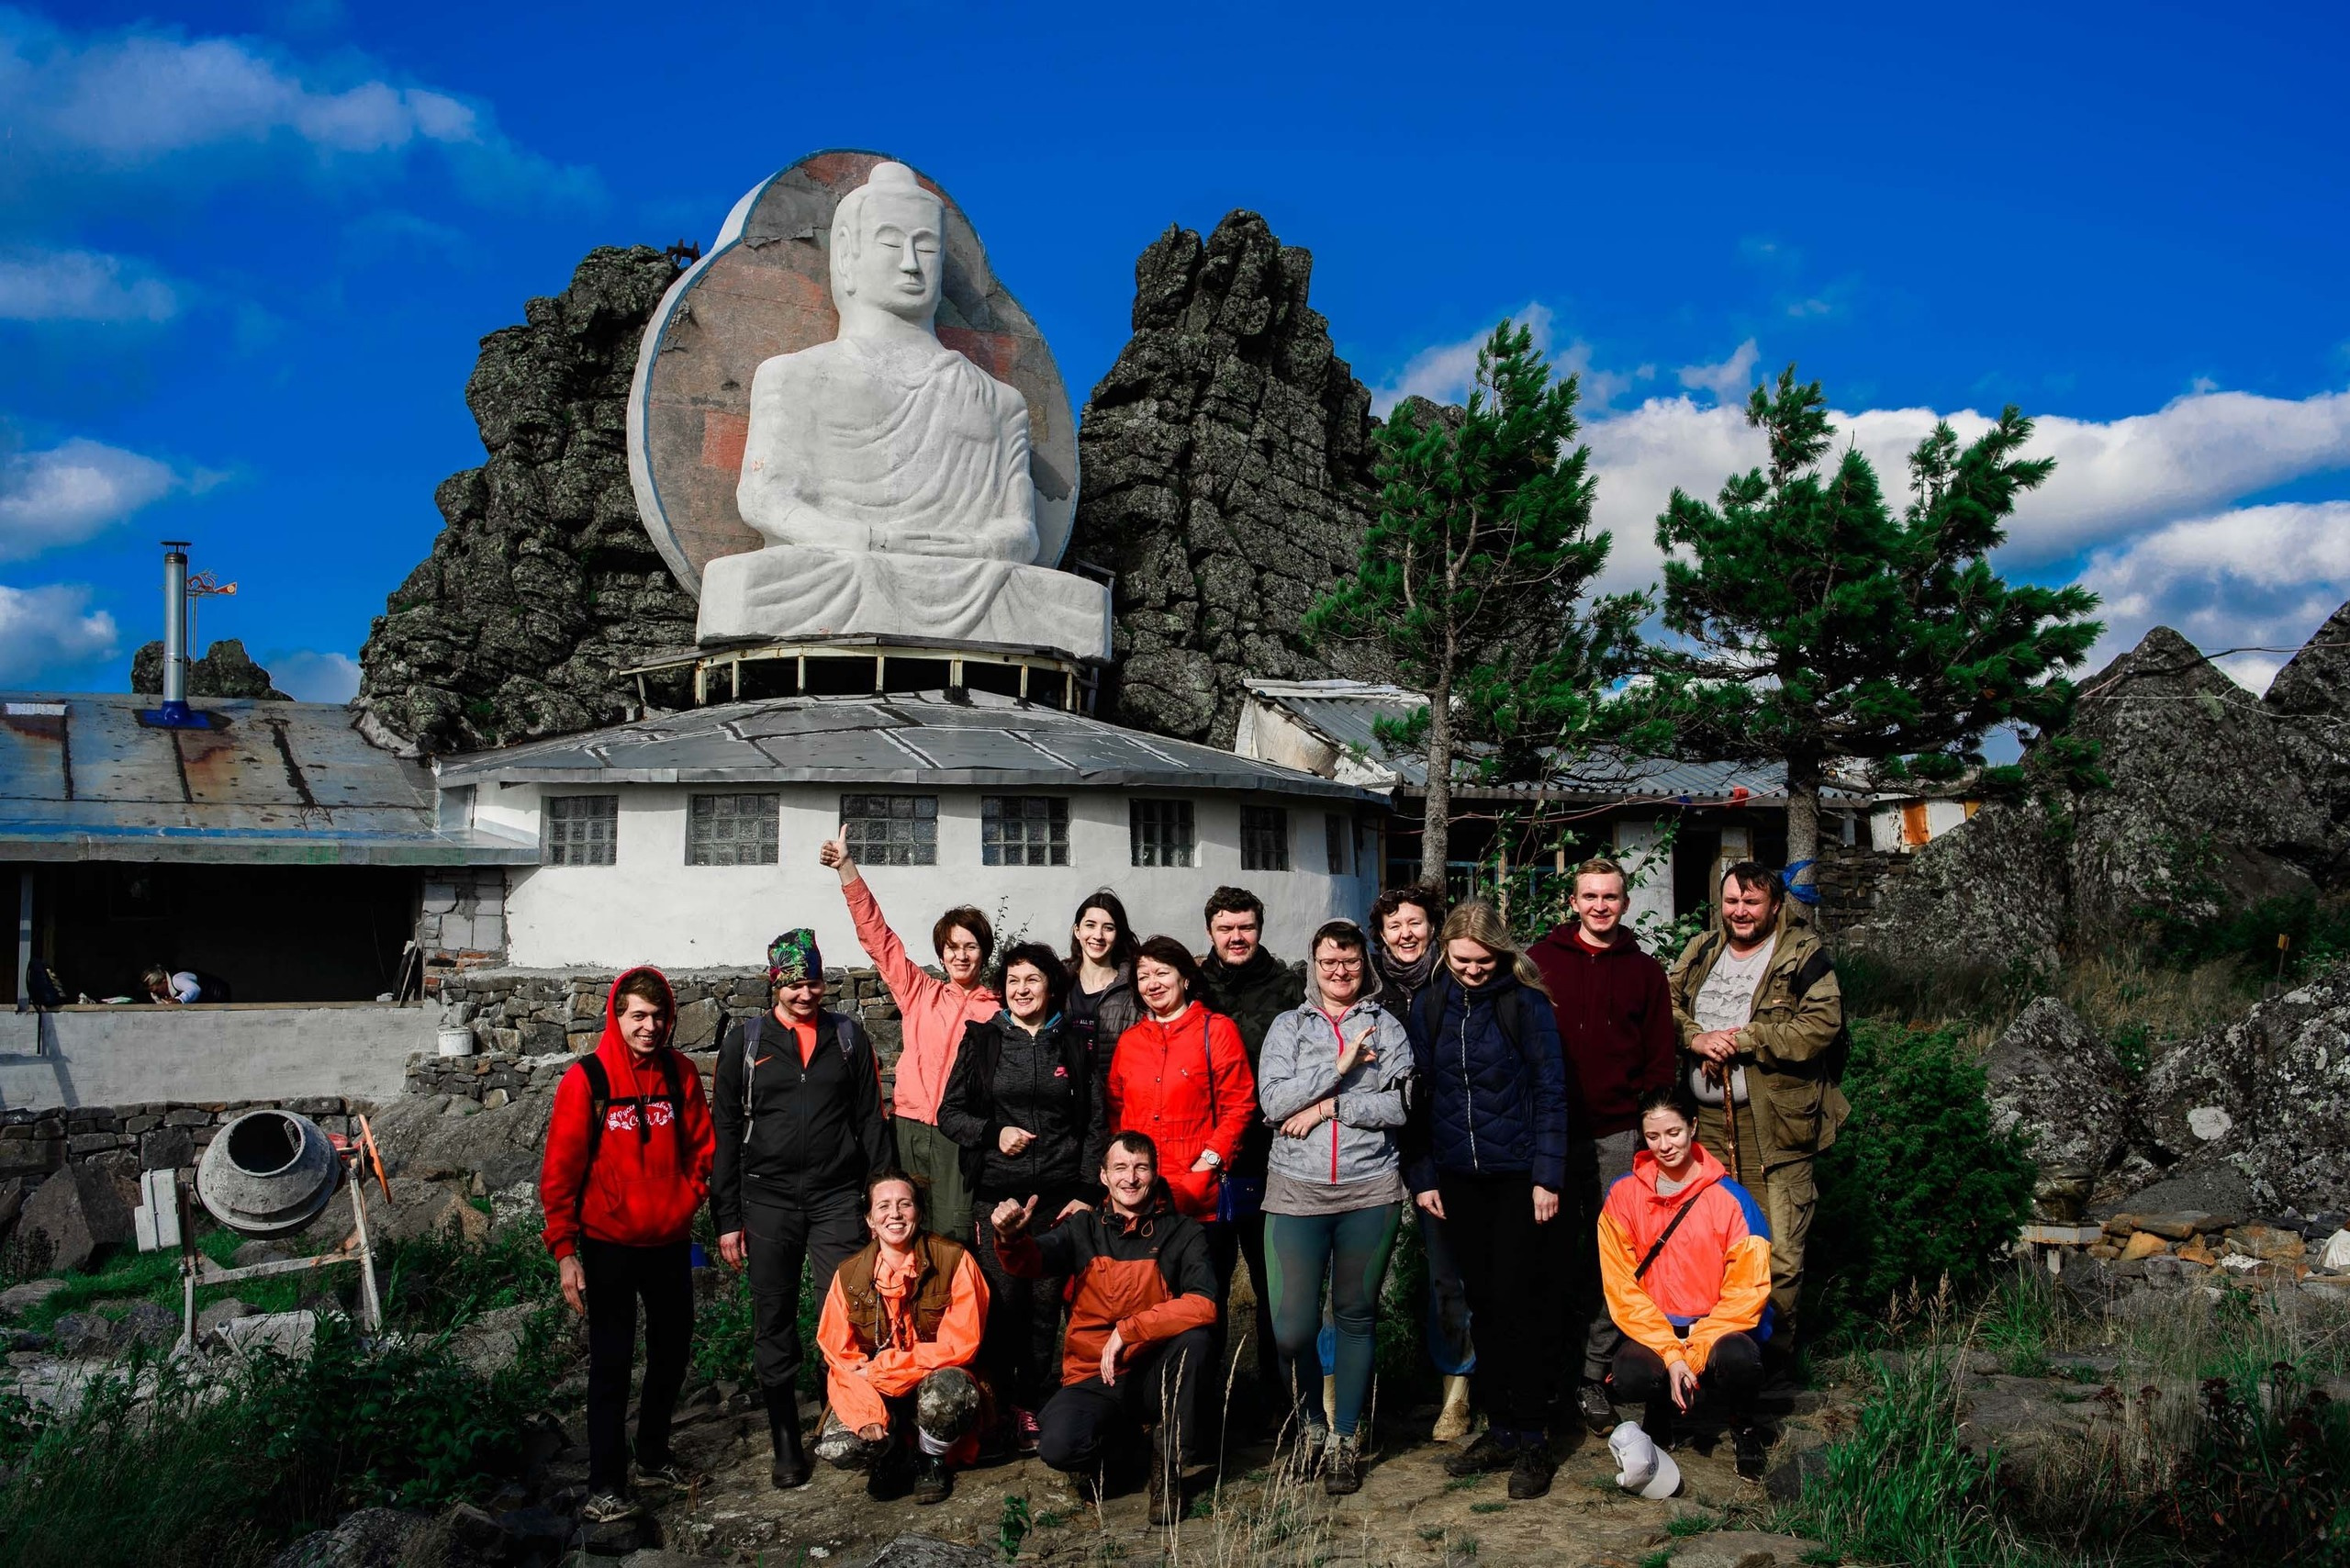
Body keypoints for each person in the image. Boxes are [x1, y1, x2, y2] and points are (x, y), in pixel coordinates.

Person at [711, 930, 895, 1489]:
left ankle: (840, 1418)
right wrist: (727, 1220)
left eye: (812, 980)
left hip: (837, 1197)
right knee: (774, 1319)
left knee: (841, 1314)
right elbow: (724, 1131)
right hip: (765, 1201)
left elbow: (870, 1120)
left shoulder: (848, 1038)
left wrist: (882, 1195)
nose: (804, 993)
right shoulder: (745, 1045)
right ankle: (787, 1439)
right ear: (775, 984)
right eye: (792, 983)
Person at [1403, 902, 1570, 1501]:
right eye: (1461, 960)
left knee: (1520, 1304)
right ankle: (1499, 1427)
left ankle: (1533, 1437)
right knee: (1482, 1305)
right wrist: (1421, 1175)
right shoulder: (1431, 1004)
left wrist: (1548, 1175)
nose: (1472, 970)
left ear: (1502, 952)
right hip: (1455, 1180)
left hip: (1518, 1178)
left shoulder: (1525, 1004)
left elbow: (1552, 1091)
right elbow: (1417, 1099)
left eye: (1483, 960)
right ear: (1445, 952)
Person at [540, 967, 717, 1523]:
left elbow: (702, 1149)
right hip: (608, 1242)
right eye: (638, 1016)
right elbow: (561, 1171)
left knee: (672, 1351)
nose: (650, 1026)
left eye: (659, 1016)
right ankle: (605, 1485)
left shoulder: (680, 1072)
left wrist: (686, 1199)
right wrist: (565, 1251)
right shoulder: (586, 1081)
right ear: (616, 1017)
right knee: (612, 1363)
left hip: (668, 1239)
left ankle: (654, 1454)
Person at [1667, 862, 1849, 1369]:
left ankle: (1772, 1362)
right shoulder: (1702, 949)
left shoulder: (1802, 954)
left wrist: (1745, 1039)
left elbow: (1820, 1026)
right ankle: (1716, 1355)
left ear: (1774, 904)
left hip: (1777, 1126)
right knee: (1713, 1245)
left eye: (1751, 902)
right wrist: (1695, 1036)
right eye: (1731, 902)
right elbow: (1666, 1002)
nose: (1740, 912)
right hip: (1705, 1127)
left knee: (1779, 1250)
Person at [990, 1132, 1220, 1527]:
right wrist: (1010, 1238)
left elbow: (1204, 1304)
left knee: (1196, 1340)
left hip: (1152, 1373)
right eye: (1120, 1168)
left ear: (1154, 1173)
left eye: (1140, 1168)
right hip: (1093, 1374)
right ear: (1103, 1176)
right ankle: (1133, 1446)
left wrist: (1131, 1330)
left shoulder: (1183, 1232)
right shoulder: (1083, 1228)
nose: (1130, 1178)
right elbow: (1031, 1261)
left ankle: (1167, 1470)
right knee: (1059, 1448)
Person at [1257, 919, 1414, 1495]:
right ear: (1313, 966)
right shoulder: (1287, 1028)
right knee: (1291, 1329)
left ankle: (1344, 1438)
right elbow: (1272, 1102)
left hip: (1368, 1188)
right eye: (1329, 963)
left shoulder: (1387, 1026)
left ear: (1363, 966)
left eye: (1349, 963)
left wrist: (1330, 1110)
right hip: (1295, 1190)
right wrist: (1341, 1069)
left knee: (1354, 1314)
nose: (1340, 972)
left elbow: (1400, 1105)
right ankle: (1310, 1426)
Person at [1527, 857, 1681, 1436]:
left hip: (1618, 1134)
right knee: (1548, 1255)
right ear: (1572, 902)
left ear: (1624, 902)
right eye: (1589, 896)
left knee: (1613, 1259)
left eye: (1610, 897)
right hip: (1550, 1135)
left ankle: (1595, 1375)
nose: (1599, 906)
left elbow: (1660, 1059)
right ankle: (1546, 1376)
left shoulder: (1644, 971)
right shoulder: (1539, 963)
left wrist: (1647, 1133)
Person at [936, 941, 1106, 1453]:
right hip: (999, 1198)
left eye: (1032, 980)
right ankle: (1002, 1406)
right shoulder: (984, 1040)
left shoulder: (1075, 1042)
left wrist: (1084, 1191)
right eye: (1013, 981)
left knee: (1045, 1304)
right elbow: (950, 1114)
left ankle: (1034, 1403)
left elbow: (1095, 1121)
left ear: (1051, 985)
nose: (1022, 989)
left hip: (1058, 1200)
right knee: (1003, 1304)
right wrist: (994, 1134)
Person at [822, 834, 1000, 1240]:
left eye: (970, 946)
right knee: (903, 1229)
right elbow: (879, 940)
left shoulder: (998, 1012)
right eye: (952, 947)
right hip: (908, 1128)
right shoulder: (921, 992)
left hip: (958, 1135)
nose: (961, 955)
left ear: (983, 952)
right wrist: (847, 870)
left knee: (954, 1233)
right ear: (941, 954)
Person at [1599, 1086, 1774, 1479]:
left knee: (1739, 1360)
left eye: (1674, 1133)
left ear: (1693, 1127)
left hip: (1718, 1328)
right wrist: (1672, 1354)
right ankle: (1658, 1409)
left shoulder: (1732, 1199)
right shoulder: (1623, 1196)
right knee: (1630, 1374)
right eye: (1653, 1136)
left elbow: (1748, 1293)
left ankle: (1743, 1424)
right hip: (1656, 1328)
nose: (1664, 1145)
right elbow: (1622, 1290)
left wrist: (1691, 1355)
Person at [811, 1171, 990, 1504]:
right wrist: (867, 1413)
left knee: (952, 1390)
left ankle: (931, 1458)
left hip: (933, 1380)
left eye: (904, 1204)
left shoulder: (954, 1261)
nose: (894, 1214)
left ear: (918, 1213)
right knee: (841, 1445)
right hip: (875, 1390)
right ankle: (889, 1455)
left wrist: (885, 1367)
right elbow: (839, 1357)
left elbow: (962, 1346)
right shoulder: (848, 1276)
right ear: (870, 1220)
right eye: (883, 1206)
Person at [1371, 884, 1474, 1442]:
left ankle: (1456, 1391)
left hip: (1440, 1150)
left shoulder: (1457, 980)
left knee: (1447, 1277)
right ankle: (1357, 1399)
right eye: (1394, 926)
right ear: (1380, 934)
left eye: (1414, 923)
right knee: (1361, 1279)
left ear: (1433, 926)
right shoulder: (1368, 987)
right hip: (1376, 1151)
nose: (1405, 934)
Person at [1194, 885, 1297, 1426]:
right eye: (1226, 928)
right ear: (1209, 931)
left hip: (1269, 1157)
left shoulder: (1287, 987)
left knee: (1270, 1287)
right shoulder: (1193, 987)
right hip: (1203, 1157)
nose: (1237, 937)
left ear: (1260, 928)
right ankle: (1203, 1407)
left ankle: (1279, 1405)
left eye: (1246, 927)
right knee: (1203, 1286)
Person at [1065, 890, 1142, 1077]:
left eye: (1108, 928)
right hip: (1065, 1100)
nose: (1098, 935)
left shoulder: (1134, 988)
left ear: (1118, 935)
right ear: (1077, 930)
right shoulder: (1059, 983)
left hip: (1115, 1098)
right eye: (1090, 925)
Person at [143, 965, 228, 1003]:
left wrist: (179, 1000)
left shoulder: (178, 979)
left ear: (164, 981)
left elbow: (194, 989)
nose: (155, 993)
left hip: (217, 993)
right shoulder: (154, 993)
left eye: (157, 990)